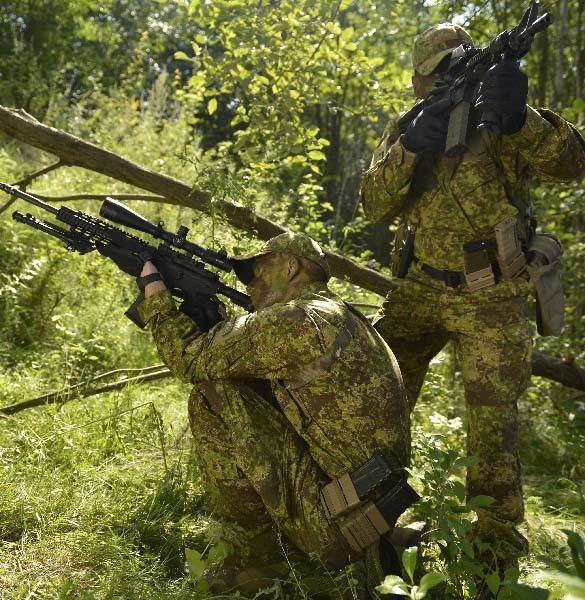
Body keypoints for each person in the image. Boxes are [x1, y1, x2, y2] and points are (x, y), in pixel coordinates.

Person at [360, 22, 585, 575]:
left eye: (454, 68)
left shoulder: (499, 114)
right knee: (376, 402)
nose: (444, 81)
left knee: (492, 434)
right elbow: (373, 204)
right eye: (434, 74)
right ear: (417, 82)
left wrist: (522, 118)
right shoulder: (407, 125)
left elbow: (573, 163)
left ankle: (494, 564)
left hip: (493, 295)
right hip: (418, 289)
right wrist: (410, 148)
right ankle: (371, 536)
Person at [135, 231, 417, 596]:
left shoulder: (298, 320)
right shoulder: (342, 317)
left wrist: (155, 295)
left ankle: (253, 553)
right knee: (243, 386)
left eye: (257, 271)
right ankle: (366, 548)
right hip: (369, 514)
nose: (250, 284)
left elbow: (189, 359)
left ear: (291, 266)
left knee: (213, 396)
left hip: (339, 529)